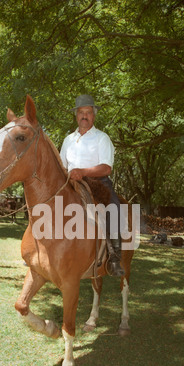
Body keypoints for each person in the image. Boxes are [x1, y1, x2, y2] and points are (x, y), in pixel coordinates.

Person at [60, 94, 125, 277]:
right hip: (71, 182)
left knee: (114, 207)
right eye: (81, 112)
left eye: (88, 112)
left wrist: (84, 171)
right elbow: (62, 166)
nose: (84, 116)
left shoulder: (102, 138)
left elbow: (106, 167)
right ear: (76, 115)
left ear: (94, 115)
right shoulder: (68, 140)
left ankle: (114, 257)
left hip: (97, 182)